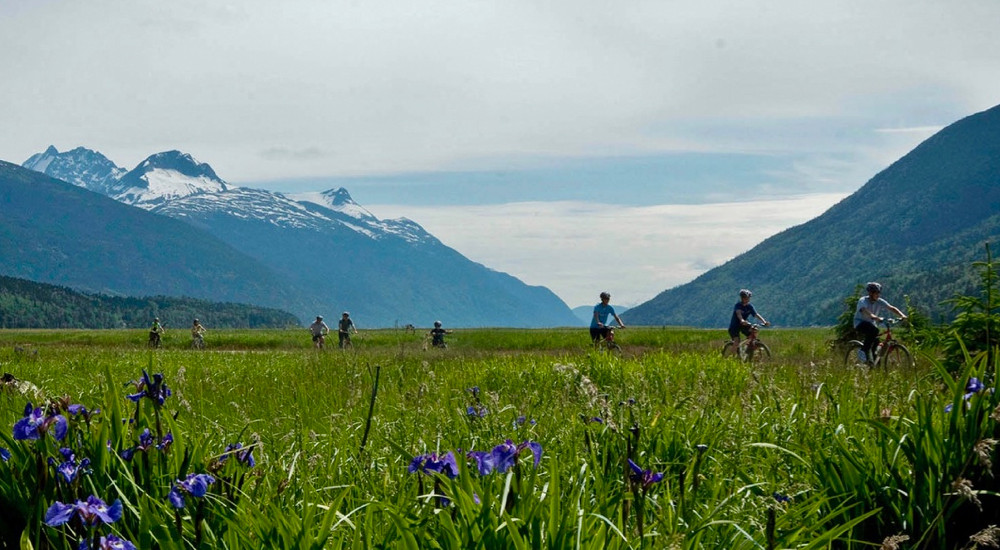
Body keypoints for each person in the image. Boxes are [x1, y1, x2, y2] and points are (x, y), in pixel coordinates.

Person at [854, 282, 907, 364]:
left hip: (871, 323)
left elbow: (891, 308)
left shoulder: (879, 301)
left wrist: (902, 315)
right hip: (860, 323)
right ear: (870, 293)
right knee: (874, 330)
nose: (878, 295)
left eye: (878, 293)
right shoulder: (863, 301)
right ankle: (863, 351)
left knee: (876, 345)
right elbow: (865, 311)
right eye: (876, 293)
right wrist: (875, 317)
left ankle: (874, 366)